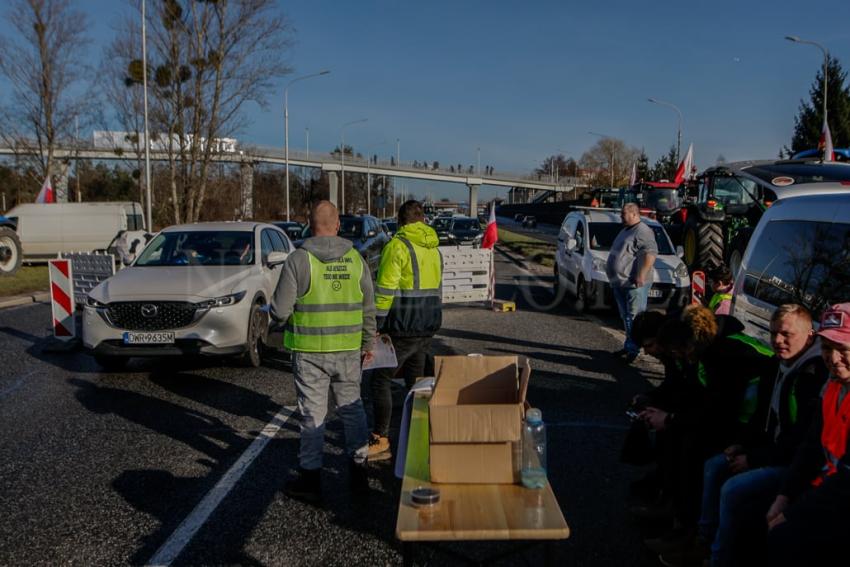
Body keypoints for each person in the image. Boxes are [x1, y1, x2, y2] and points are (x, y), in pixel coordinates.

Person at [676, 305, 826, 567]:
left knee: (733, 489)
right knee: (714, 464)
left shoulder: (812, 375)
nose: (778, 341)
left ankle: (718, 559)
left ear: (809, 335)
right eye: (773, 334)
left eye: (787, 334)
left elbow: (802, 440)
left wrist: (754, 458)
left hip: (792, 462)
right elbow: (762, 416)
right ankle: (703, 539)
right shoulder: (777, 365)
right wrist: (741, 444)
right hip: (772, 449)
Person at [642, 306, 777, 559]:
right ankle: (675, 511)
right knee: (680, 435)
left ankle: (693, 533)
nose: (678, 358)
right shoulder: (709, 349)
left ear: (688, 345)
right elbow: (698, 397)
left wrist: (671, 419)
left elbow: (717, 411)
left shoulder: (726, 354)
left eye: (677, 353)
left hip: (755, 424)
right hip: (744, 419)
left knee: (696, 449)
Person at [270, 200, 376, 502]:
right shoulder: (356, 260)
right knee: (353, 410)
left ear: (309, 224)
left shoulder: (298, 260)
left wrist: (279, 320)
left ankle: (311, 480)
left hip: (310, 351)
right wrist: (368, 343)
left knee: (313, 415)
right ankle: (359, 475)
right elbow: (369, 308)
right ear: (338, 225)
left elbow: (279, 311)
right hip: (348, 350)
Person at [767, 303, 850, 567]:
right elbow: (811, 447)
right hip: (822, 489)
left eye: (843, 349)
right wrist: (785, 495)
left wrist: (795, 513)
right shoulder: (833, 388)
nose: (833, 359)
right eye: (827, 349)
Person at [369, 200, 442, 461]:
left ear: (400, 221)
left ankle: (381, 439)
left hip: (403, 325)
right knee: (417, 384)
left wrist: (375, 326)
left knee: (380, 381)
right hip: (427, 325)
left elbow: (385, 289)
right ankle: (419, 437)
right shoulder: (434, 247)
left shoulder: (397, 246)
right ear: (422, 220)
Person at [605, 203, 658, 363]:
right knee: (626, 317)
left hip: (633, 284)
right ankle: (629, 345)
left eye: (623, 214)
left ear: (634, 214)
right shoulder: (626, 229)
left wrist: (641, 274)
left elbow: (651, 253)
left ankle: (633, 350)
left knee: (634, 318)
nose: (621, 217)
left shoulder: (643, 231)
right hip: (620, 282)